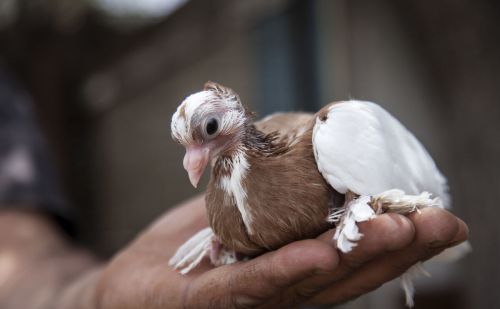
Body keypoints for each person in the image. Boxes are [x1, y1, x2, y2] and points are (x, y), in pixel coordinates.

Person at [0, 66, 468, 309]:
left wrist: (87, 297)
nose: (194, 159)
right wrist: (99, 298)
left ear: (234, 117)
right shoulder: (222, 206)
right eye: (187, 146)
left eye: (208, 129)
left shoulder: (333, 138)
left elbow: (20, 255)